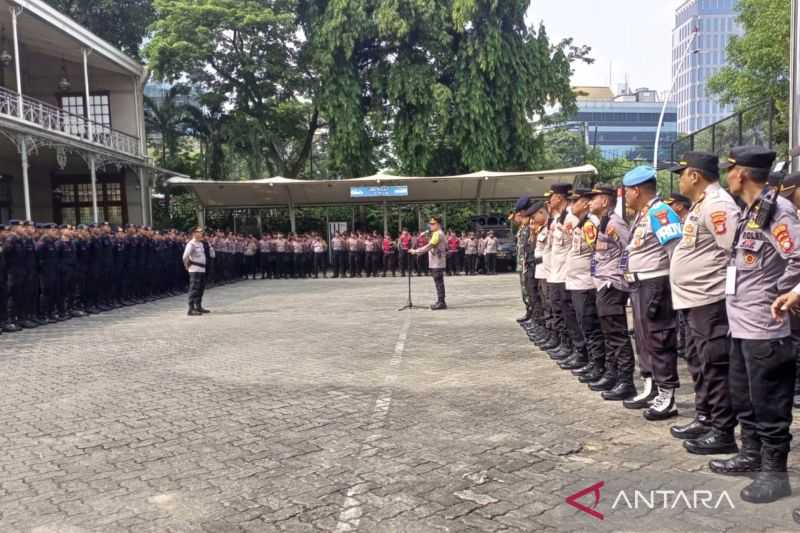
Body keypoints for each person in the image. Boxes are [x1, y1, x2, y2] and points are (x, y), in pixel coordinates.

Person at [709, 146, 799, 504]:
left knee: (770, 404)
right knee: (745, 397)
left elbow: (797, 257)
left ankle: (775, 474)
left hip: (766, 327)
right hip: (741, 325)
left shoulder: (778, 211)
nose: (728, 176)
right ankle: (751, 454)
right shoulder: (752, 211)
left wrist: (781, 293)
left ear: (740, 173)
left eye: (729, 170)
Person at [667, 152, 740, 454]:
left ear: (694, 176)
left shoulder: (718, 206)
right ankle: (705, 417)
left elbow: (736, 254)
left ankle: (722, 432)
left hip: (710, 301)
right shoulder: (701, 205)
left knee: (714, 366)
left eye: (682, 173)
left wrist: (731, 295)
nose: (680, 179)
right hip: (693, 300)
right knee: (699, 364)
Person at [622, 165, 682, 421]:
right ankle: (651, 386)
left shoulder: (660, 212)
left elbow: (676, 253)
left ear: (637, 190)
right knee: (644, 339)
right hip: (640, 285)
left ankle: (667, 396)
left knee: (659, 338)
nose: (625, 196)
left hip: (656, 284)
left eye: (627, 192)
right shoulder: (643, 214)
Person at [586, 184, 637, 401]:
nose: (589, 202)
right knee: (609, 333)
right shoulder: (605, 222)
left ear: (605, 201)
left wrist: (622, 279)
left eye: (593, 198)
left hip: (613, 285)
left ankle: (626, 381)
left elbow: (629, 249)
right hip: (604, 284)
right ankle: (613, 373)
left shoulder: (615, 223)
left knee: (617, 334)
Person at [564, 189, 605, 385]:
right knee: (584, 325)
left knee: (590, 326)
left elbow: (598, 251)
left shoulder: (590, 224)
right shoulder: (581, 224)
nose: (572, 204)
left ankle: (598, 364)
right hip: (576, 282)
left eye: (576, 201)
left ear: (586, 202)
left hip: (586, 283)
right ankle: (592, 360)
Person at [410, 217, 447, 310]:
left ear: (438, 224)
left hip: (437, 262)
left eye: (433, 224)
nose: (430, 225)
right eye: (430, 224)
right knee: (438, 282)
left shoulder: (437, 234)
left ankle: (441, 302)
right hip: (436, 262)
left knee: (438, 282)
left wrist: (416, 251)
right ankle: (440, 301)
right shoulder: (436, 233)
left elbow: (429, 246)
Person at [182, 227, 212, 316]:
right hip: (195, 269)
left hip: (202, 269)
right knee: (194, 289)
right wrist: (186, 266)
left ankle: (198, 306)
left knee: (200, 288)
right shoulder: (191, 244)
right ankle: (191, 309)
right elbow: (185, 256)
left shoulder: (201, 243)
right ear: (194, 233)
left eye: (201, 232)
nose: (201, 233)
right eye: (199, 232)